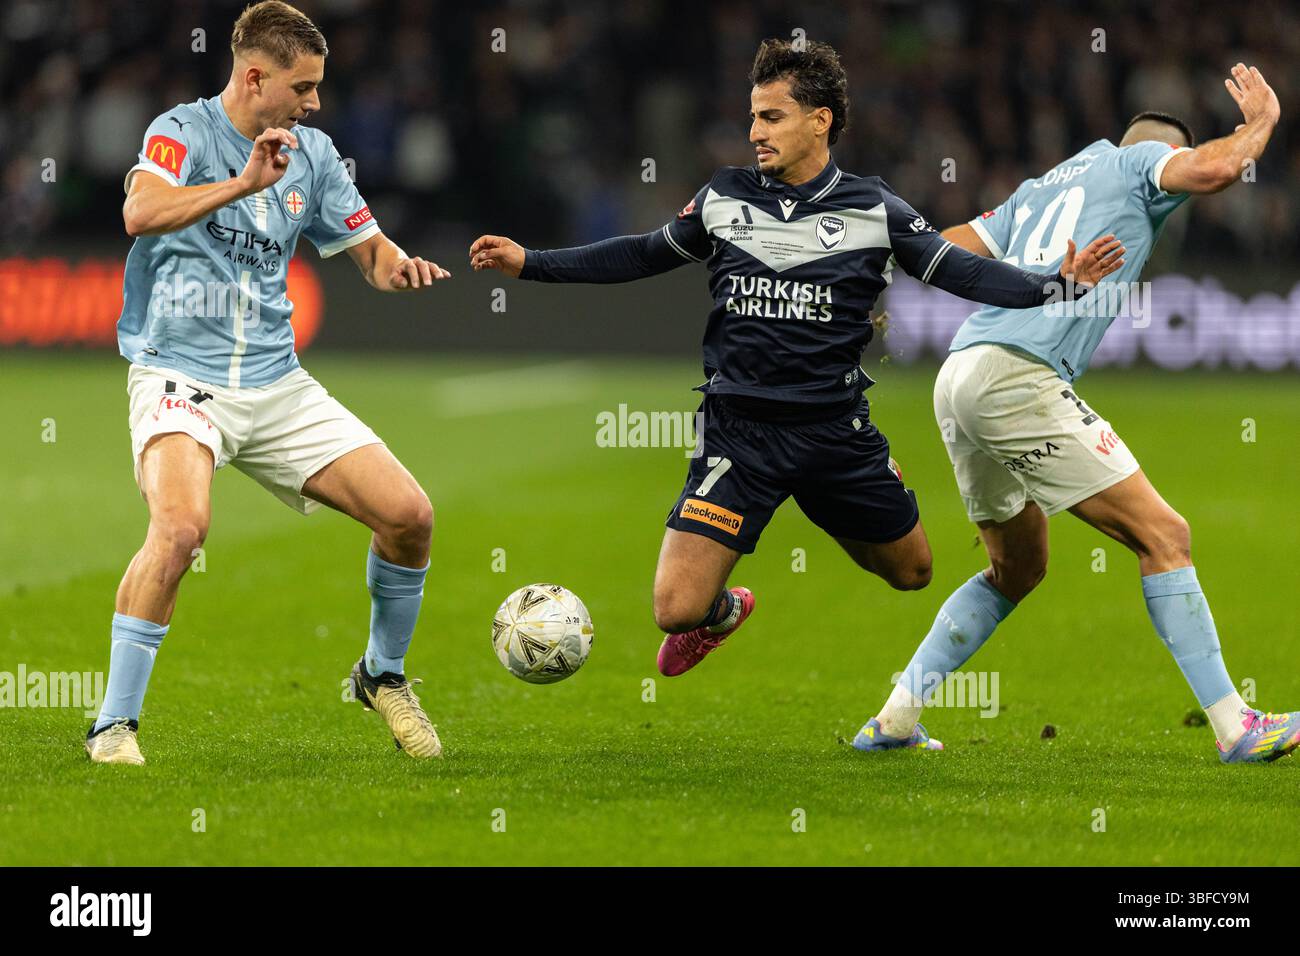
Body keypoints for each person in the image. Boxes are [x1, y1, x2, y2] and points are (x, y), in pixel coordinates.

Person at [469, 38, 1122, 700]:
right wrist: (533, 262)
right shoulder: (723, 198)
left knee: (913, 572)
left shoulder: (875, 209)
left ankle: (836, 497)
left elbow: (964, 272)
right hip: (740, 434)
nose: (754, 132)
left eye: (771, 117)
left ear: (821, 120)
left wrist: (1053, 286)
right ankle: (726, 613)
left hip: (834, 434)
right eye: (752, 117)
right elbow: (641, 254)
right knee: (675, 610)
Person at [858, 64, 1298, 763]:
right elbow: (1213, 172)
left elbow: (944, 246)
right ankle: (1236, 726)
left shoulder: (1042, 187)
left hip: (961, 374)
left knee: (1018, 569)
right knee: (1166, 536)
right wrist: (1261, 124)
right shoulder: (1139, 162)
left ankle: (894, 718)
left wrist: (864, 260)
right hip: (1016, 377)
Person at [87, 1, 450, 765]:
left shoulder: (314, 155)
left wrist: (399, 269)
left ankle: (381, 676)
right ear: (255, 77)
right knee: (182, 530)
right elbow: (140, 211)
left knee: (410, 516)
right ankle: (113, 725)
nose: (315, 103)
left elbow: (372, 252)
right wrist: (243, 182)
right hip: (180, 374)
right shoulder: (180, 133)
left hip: (277, 384)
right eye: (304, 86)